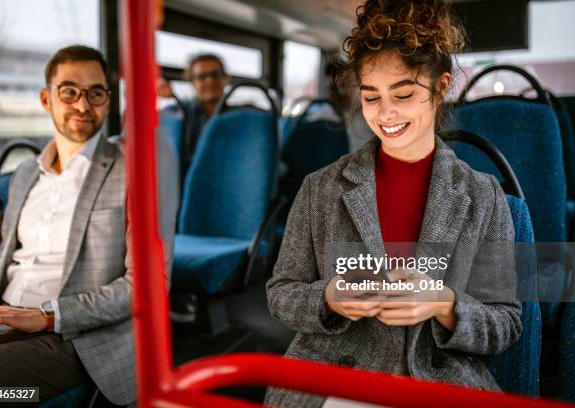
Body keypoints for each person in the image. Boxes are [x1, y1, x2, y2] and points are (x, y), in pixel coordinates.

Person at [265, 1, 522, 407]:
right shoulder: (320, 189)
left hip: (440, 382)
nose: (385, 113)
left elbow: (506, 324)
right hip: (338, 378)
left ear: (440, 88)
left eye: (403, 93)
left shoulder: (482, 196)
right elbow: (281, 293)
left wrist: (443, 303)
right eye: (371, 97)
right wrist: (328, 297)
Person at [0, 45, 177, 406]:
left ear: (107, 101)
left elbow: (146, 286)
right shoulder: (26, 174)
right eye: (69, 91)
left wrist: (46, 316)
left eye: (95, 93)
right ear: (47, 99)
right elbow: (6, 255)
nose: (82, 105)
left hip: (73, 338)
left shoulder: (133, 168)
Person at [160, 53, 228, 166]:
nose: (210, 81)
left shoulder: (240, 115)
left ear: (225, 78)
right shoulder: (177, 113)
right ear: (192, 82)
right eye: (202, 76)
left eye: (216, 75)